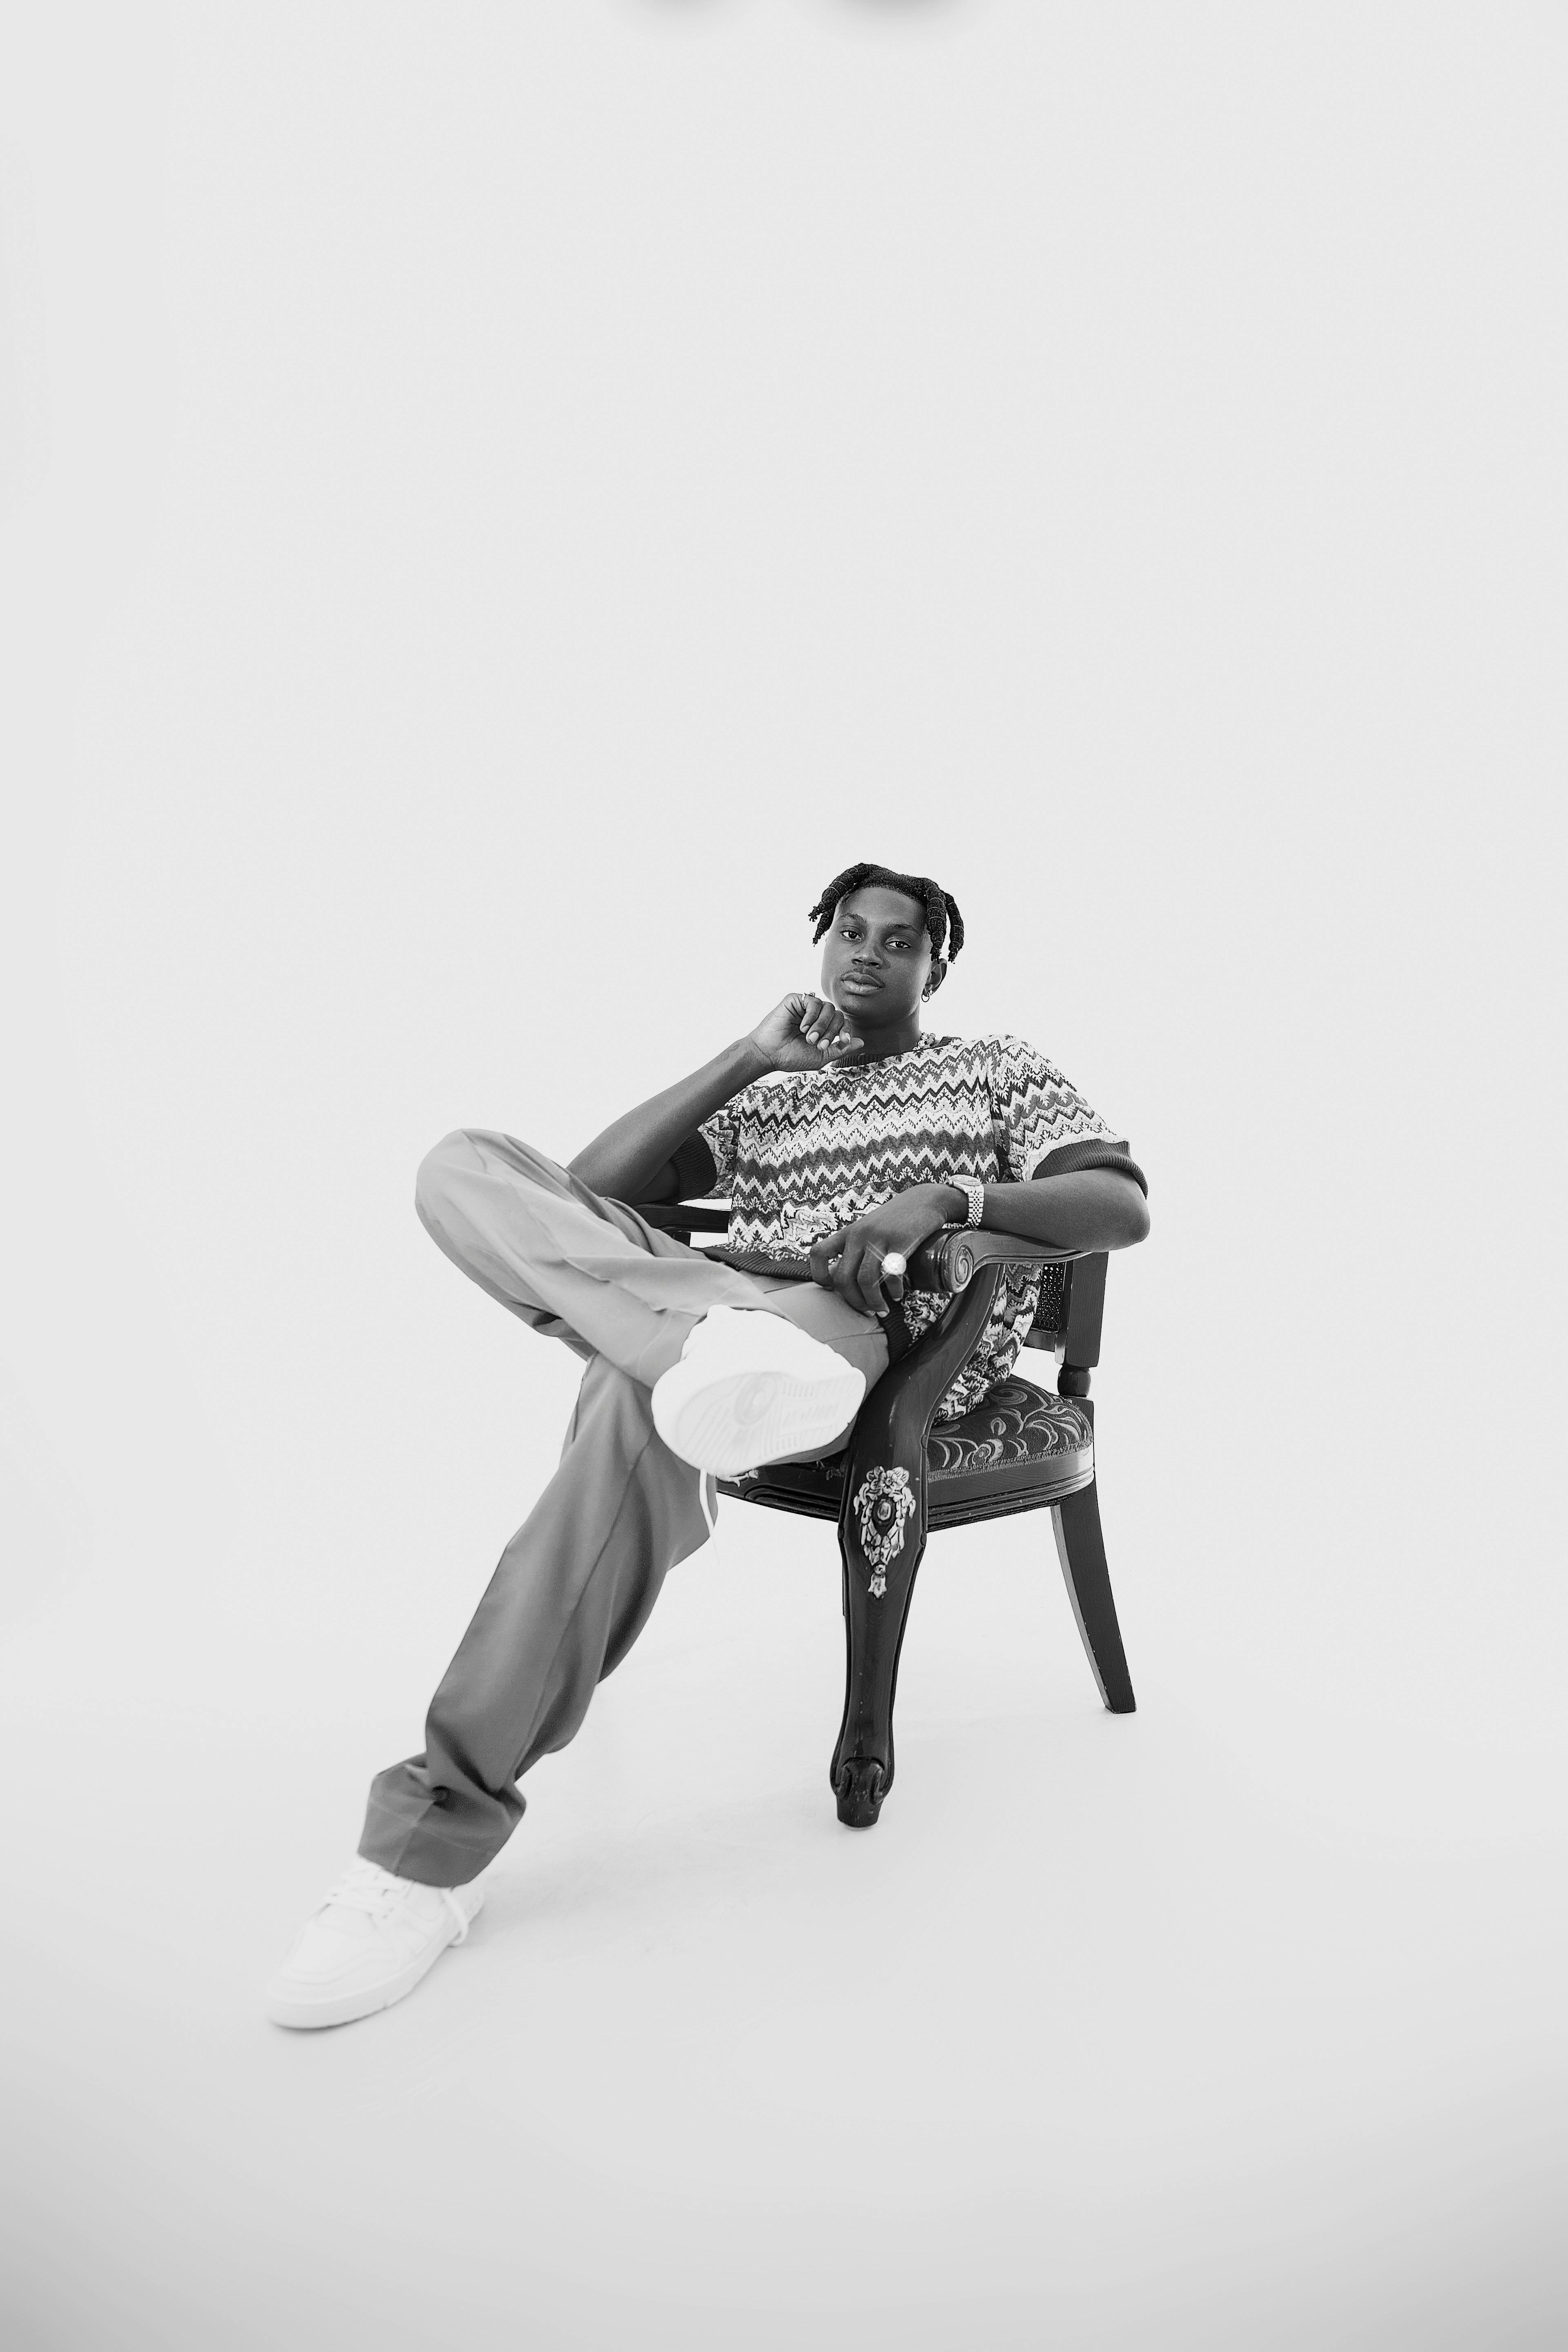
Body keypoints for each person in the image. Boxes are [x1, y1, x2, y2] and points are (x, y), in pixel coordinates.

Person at [265, 862, 1149, 2029]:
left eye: (901, 939)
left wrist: (952, 1200)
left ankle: (429, 1847)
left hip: (875, 1323)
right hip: (733, 1309)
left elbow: (1119, 1202)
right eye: (847, 931)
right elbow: (583, 1200)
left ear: (938, 965)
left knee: (638, 1390)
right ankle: (708, 1352)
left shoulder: (992, 1065)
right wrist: (746, 1060)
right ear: (819, 943)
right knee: (464, 1165)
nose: (868, 953)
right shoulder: (772, 1093)